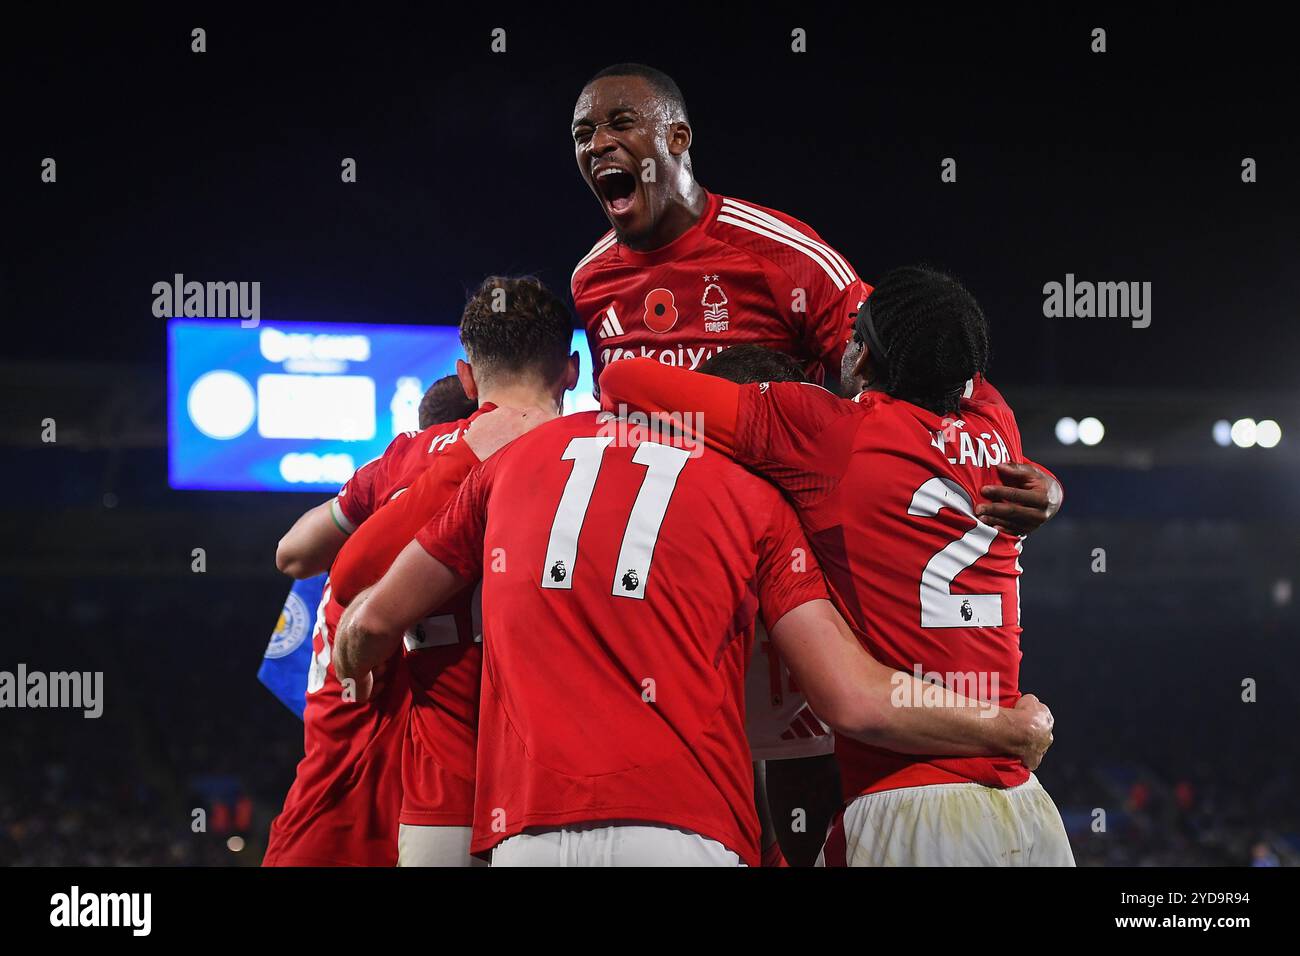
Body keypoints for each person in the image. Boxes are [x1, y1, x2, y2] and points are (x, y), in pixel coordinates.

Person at [333, 387, 1054, 867]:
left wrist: (358, 651)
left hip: (528, 831)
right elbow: (854, 699)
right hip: (689, 830)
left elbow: (372, 616)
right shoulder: (754, 498)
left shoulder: (516, 462)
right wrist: (1003, 730)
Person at [599, 265, 1075, 866]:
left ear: (867, 360)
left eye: (855, 339)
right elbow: (957, 360)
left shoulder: (825, 432)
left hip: (914, 804)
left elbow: (623, 380)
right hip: (1027, 809)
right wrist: (1054, 489)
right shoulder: (997, 427)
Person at [327, 276, 578, 866]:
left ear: (465, 376)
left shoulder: (418, 455)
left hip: (448, 787)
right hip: (567, 787)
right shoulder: (603, 452)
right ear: (571, 370)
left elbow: (344, 576)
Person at [571, 63, 869, 392]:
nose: (596, 145)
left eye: (622, 124)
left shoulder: (790, 256)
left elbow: (883, 389)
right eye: (582, 135)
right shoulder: (591, 279)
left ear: (677, 137)